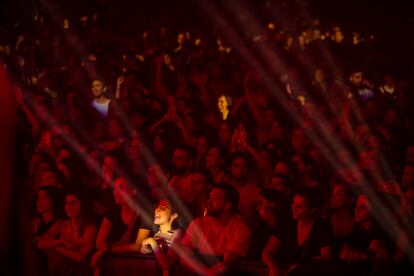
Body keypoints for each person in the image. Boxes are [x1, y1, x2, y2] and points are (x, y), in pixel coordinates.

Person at [172, 183, 251, 275]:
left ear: (227, 205)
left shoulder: (241, 228)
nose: (208, 202)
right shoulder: (198, 224)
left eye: (214, 198)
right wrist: (206, 272)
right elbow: (185, 256)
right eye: (209, 197)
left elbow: (229, 261)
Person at [262, 188, 333, 276]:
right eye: (293, 203)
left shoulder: (322, 226)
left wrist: (303, 265)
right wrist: (272, 267)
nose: (293, 208)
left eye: (299, 206)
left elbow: (326, 256)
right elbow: (267, 252)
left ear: (312, 210)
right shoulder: (287, 223)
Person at [91, 177, 152, 276]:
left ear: (133, 191)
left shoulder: (145, 214)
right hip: (115, 260)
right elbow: (99, 243)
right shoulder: (111, 213)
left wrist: (109, 248)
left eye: (120, 188)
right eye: (114, 188)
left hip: (138, 264)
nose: (115, 192)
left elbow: (138, 247)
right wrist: (124, 248)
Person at [37, 190, 97, 275]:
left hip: (79, 271)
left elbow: (80, 257)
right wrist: (61, 242)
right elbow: (39, 243)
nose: (68, 207)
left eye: (73, 203)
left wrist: (56, 246)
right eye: (66, 203)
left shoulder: (90, 228)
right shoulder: (61, 224)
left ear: (82, 204)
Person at [140, 199, 183, 271]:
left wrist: (152, 242)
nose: (157, 210)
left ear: (174, 215)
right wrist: (146, 249)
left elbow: (167, 265)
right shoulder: (157, 234)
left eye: (163, 208)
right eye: (157, 207)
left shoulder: (177, 233)